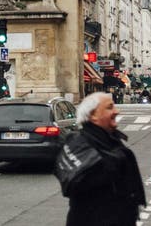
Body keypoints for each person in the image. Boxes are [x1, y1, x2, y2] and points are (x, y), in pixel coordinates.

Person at [57, 91, 145, 226]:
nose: (117, 111)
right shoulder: (80, 143)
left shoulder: (107, 139)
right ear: (93, 115)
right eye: (110, 107)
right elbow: (80, 183)